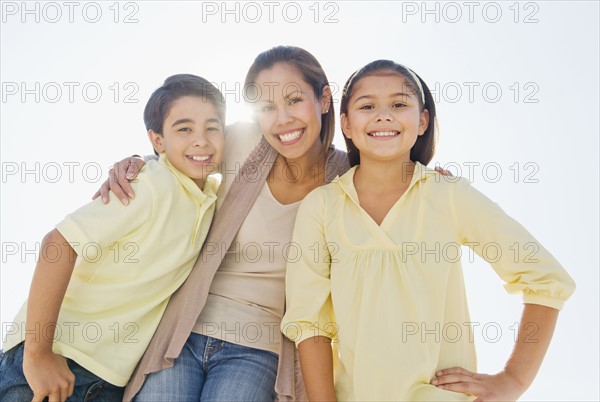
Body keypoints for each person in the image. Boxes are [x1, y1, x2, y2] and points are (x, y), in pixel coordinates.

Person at [280, 59, 576, 401]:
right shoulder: (322, 207)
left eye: (399, 104)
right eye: (367, 106)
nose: (383, 115)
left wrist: (514, 379)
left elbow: (546, 278)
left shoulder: (448, 195)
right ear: (345, 123)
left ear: (422, 121)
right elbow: (310, 325)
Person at [95, 46, 351, 401]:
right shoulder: (244, 143)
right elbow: (183, 148)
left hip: (260, 350)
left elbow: (399, 189)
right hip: (183, 332)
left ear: (323, 99)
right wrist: (138, 161)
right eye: (266, 108)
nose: (283, 119)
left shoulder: (349, 178)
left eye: (294, 100)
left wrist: (439, 183)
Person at [0, 74, 225, 402]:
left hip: (106, 381)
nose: (201, 140)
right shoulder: (148, 185)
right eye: (184, 129)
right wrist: (38, 355)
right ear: (158, 140)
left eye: (213, 127)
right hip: (55, 358)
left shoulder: (211, 197)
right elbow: (58, 244)